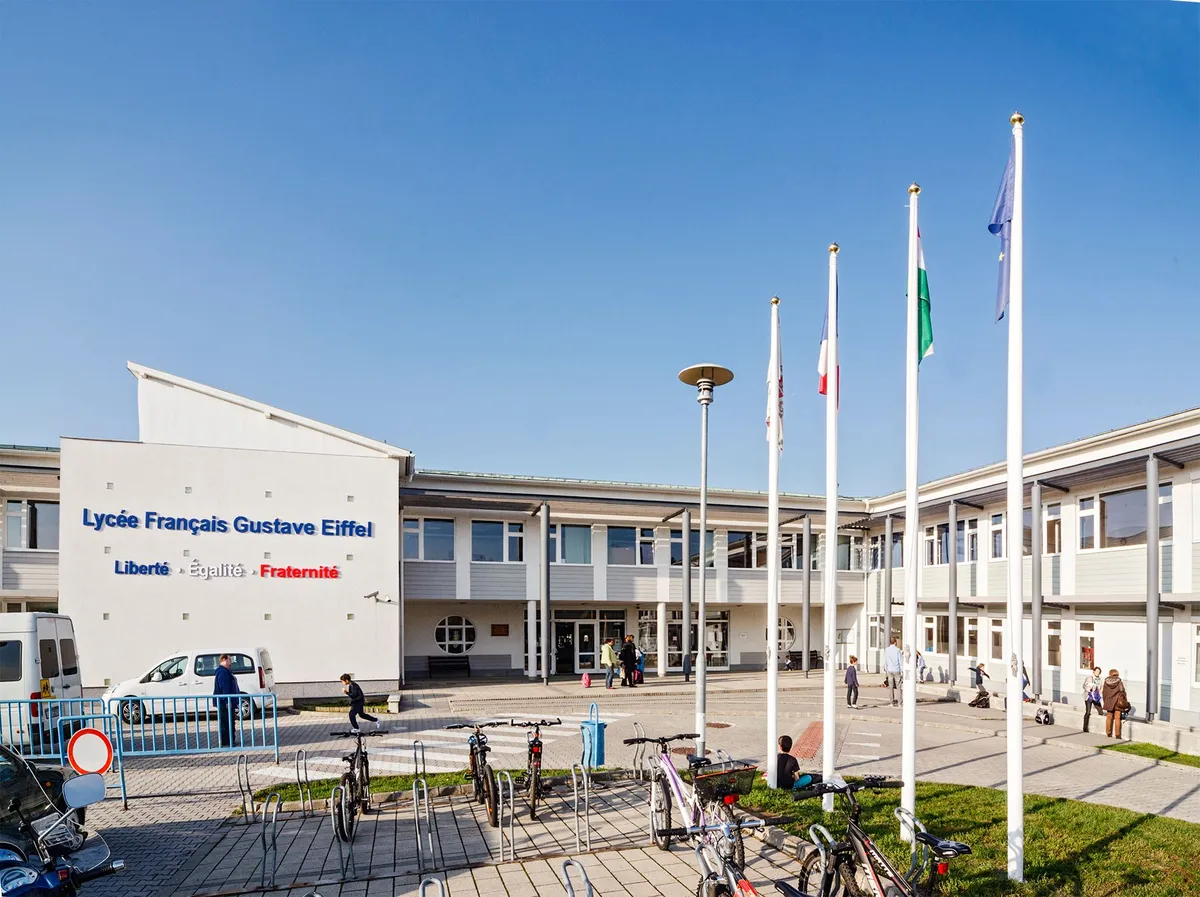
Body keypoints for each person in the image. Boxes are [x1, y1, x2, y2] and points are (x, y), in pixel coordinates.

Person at [213, 653, 242, 748]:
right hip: (225, 702)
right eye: (229, 659)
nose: (231, 662)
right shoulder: (223, 672)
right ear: (224, 660)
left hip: (227, 702)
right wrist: (227, 701)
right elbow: (224, 688)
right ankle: (227, 740)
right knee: (226, 721)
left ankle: (228, 740)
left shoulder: (226, 671)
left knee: (228, 720)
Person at [1101, 669, 1129, 739]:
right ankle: (1117, 735)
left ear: (1110, 674)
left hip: (1109, 702)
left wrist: (1105, 701)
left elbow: (1104, 693)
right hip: (1117, 703)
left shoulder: (1106, 682)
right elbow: (1122, 692)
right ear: (1117, 673)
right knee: (1117, 718)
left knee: (1109, 717)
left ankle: (1108, 733)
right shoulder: (1119, 682)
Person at [1081, 666, 1104, 734]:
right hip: (1089, 696)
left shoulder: (1099, 680)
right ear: (1093, 671)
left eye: (1099, 672)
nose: (1097, 673)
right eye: (1096, 671)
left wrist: (1100, 693)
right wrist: (1089, 689)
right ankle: (1085, 727)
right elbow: (1084, 685)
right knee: (1088, 711)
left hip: (1096, 697)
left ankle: (1099, 726)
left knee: (1100, 711)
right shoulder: (1089, 678)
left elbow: (1100, 688)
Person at [883, 637, 902, 707]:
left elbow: (885, 661)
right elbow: (900, 661)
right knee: (898, 687)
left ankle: (891, 702)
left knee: (890, 687)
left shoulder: (887, 650)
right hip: (897, 670)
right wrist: (902, 670)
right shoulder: (898, 650)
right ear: (895, 642)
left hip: (890, 670)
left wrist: (885, 669)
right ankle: (899, 703)